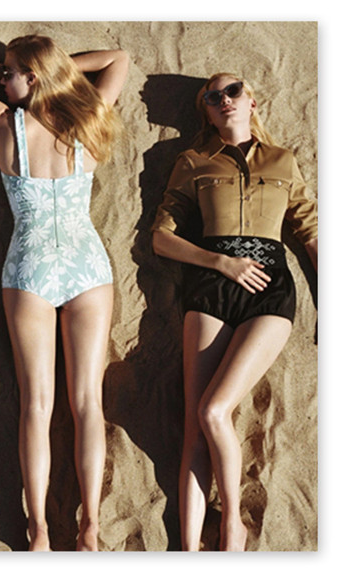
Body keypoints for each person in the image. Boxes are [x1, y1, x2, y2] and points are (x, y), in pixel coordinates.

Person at [0, 36, 128, 551]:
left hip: (30, 266)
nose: (2, 81)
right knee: (87, 401)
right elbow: (118, 59)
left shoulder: (6, 126)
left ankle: (40, 529)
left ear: (32, 77)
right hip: (86, 264)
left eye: (10, 73)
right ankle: (90, 527)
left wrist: (30, 72)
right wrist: (51, 70)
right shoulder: (86, 119)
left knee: (36, 403)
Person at [152, 73, 318, 551]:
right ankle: (188, 548)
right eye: (212, 96)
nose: (224, 99)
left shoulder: (282, 161)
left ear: (252, 102)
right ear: (207, 112)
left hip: (269, 290)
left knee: (214, 409)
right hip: (211, 286)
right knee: (195, 425)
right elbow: (162, 238)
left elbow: (310, 232)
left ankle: (231, 524)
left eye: (233, 91)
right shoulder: (193, 162)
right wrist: (221, 262)